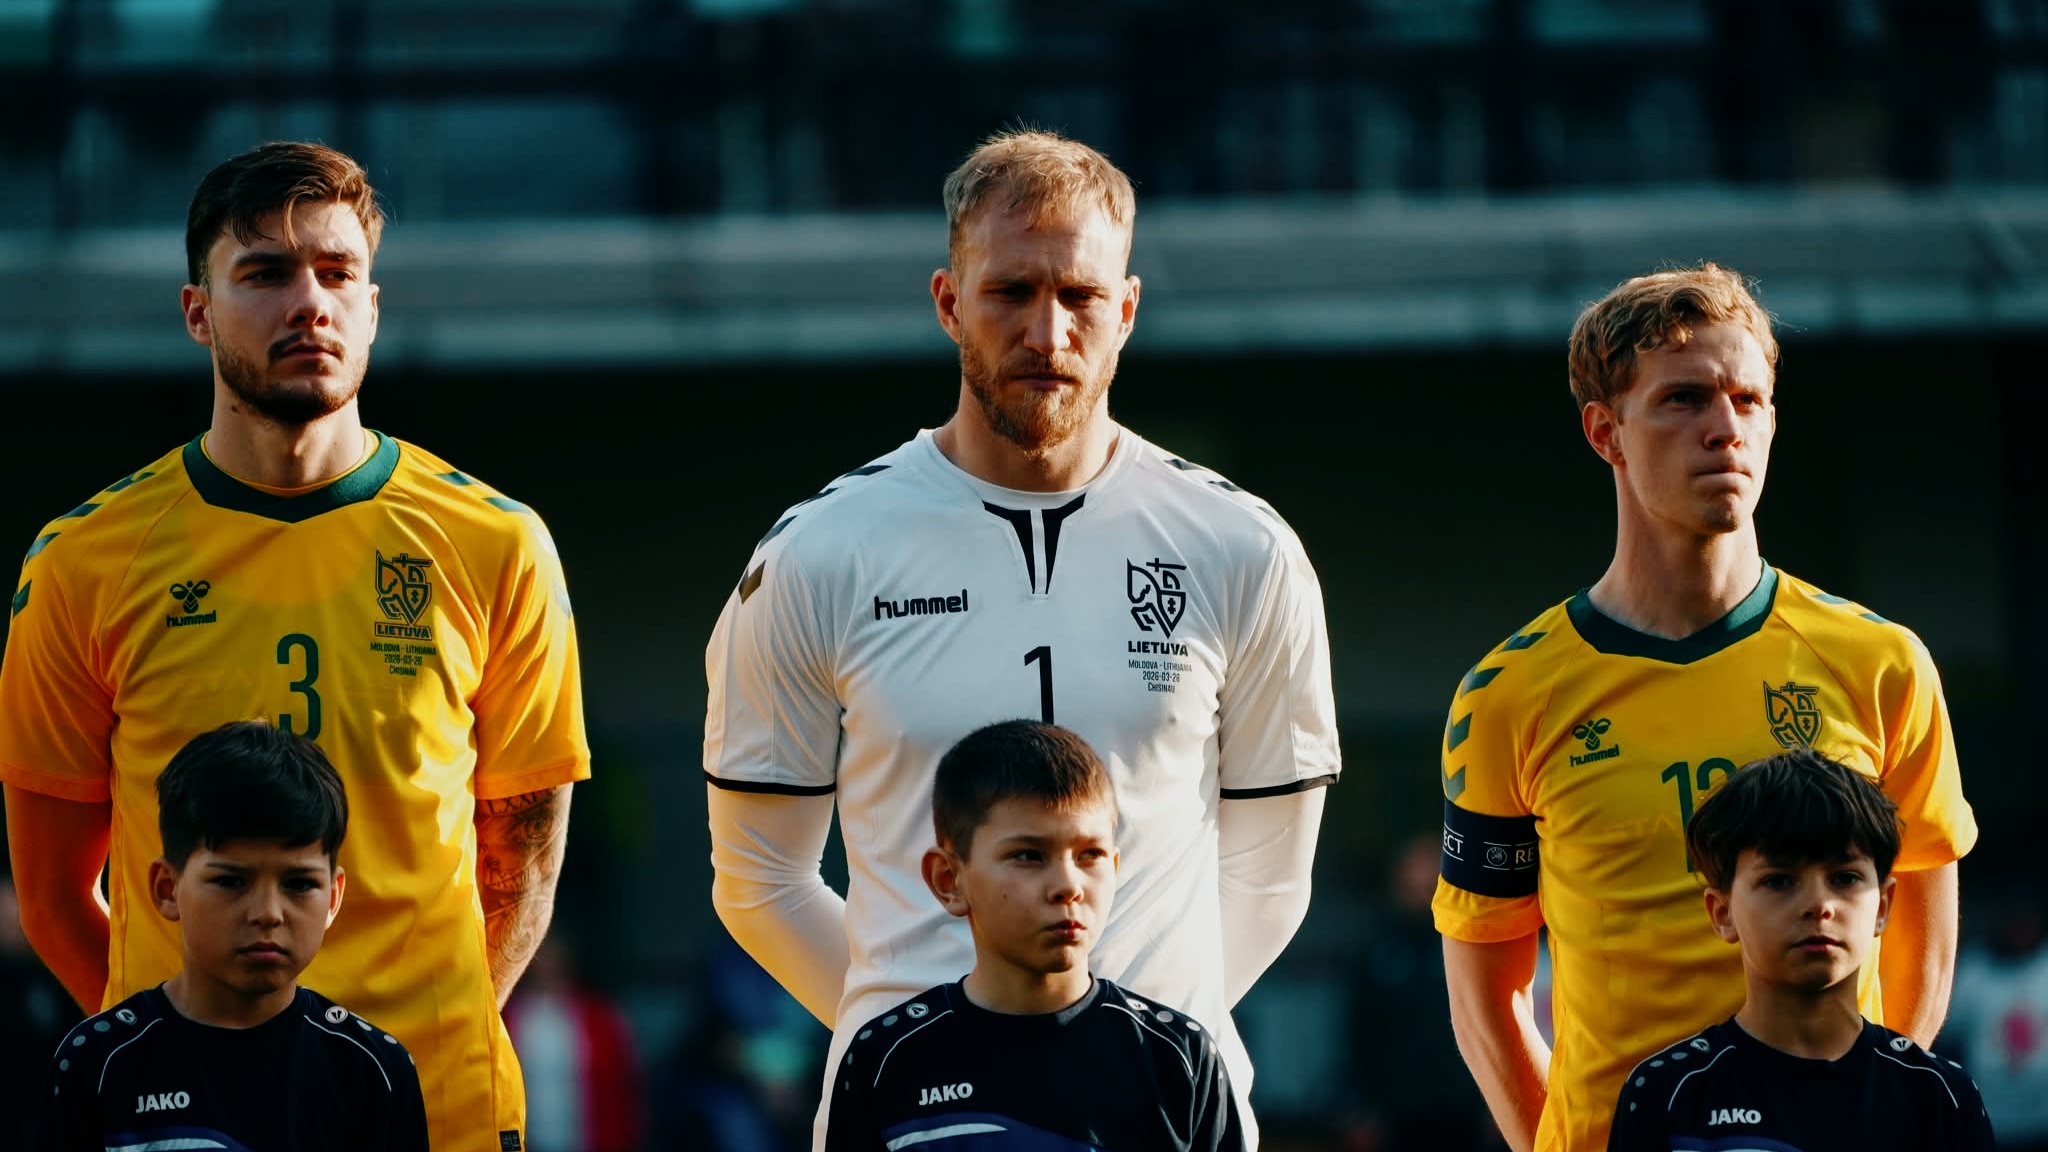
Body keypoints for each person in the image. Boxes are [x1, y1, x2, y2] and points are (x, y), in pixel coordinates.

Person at [704, 127, 1339, 1147]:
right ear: (948, 302)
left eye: (1080, 295)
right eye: (1009, 292)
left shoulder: (1242, 549)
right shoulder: (817, 554)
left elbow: (1268, 875)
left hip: (1162, 1119)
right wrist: (932, 1045)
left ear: (1125, 310)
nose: (1047, 331)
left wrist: (1124, 1045)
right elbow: (759, 882)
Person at [0, 141, 589, 1152]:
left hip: (434, 1106)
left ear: (372, 307)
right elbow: (55, 898)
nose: (308, 303)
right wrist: (192, 1047)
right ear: (198, 313)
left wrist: (390, 1048)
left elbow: (522, 865)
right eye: (266, 274)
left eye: (337, 273)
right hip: (189, 1115)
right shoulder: (81, 562)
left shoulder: (497, 543)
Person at [1432, 262, 1977, 1152]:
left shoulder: (1882, 664)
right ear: (1605, 432)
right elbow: (1483, 994)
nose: (1726, 428)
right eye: (1684, 399)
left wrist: (1862, 1120)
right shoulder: (1508, 696)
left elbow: (1925, 933)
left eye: (1748, 400)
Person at [823, 720, 1244, 1152]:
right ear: (949, 879)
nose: (1068, 885)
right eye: (1028, 855)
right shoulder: (885, 1062)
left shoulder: (1179, 1060)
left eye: (1090, 855)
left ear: (1115, 868)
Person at [40, 720, 429, 1152]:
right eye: (231, 881)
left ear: (333, 898)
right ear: (168, 889)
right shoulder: (97, 1062)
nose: (268, 913)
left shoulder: (373, 1070)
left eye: (299, 884)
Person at [1608, 749, 1994, 1151]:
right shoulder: (1666, 1095)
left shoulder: (1941, 1098)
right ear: (1722, 913)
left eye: (1845, 878)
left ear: (1882, 907)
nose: (1818, 904)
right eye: (1779, 880)